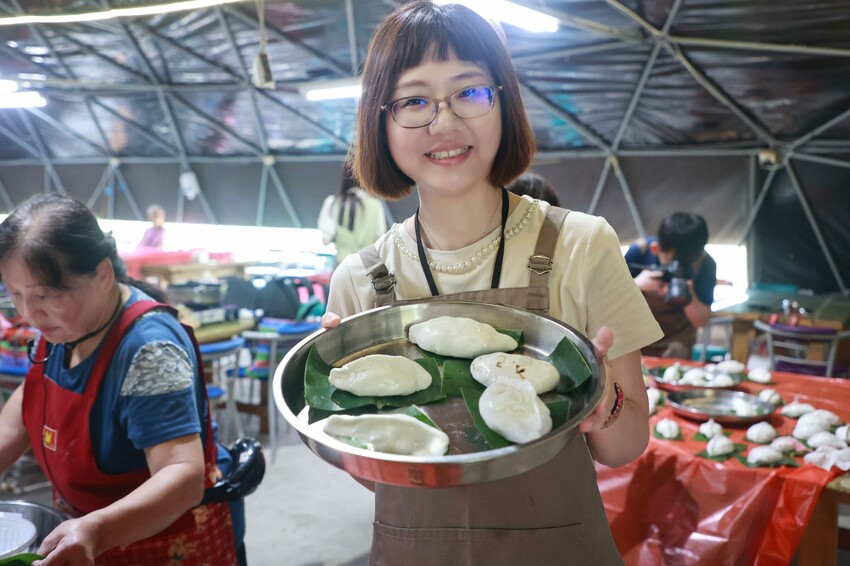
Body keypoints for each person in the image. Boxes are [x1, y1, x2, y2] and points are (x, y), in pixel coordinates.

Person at [321, 2, 662, 564]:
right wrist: (348, 409)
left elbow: (626, 447)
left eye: (469, 92)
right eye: (413, 100)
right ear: (379, 122)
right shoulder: (360, 281)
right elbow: (376, 478)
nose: (445, 122)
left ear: (504, 102)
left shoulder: (580, 245)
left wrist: (606, 405)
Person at [0, 194, 242, 565]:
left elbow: (183, 474)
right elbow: (16, 422)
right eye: (15, 295)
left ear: (102, 274)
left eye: (45, 295)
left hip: (163, 540)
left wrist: (97, 530)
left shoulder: (148, 350)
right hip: (91, 530)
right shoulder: (60, 328)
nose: (30, 313)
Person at [625, 212, 717, 358]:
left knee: (677, 353)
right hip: (635, 341)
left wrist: (688, 293)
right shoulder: (639, 252)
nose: (679, 267)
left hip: (677, 344)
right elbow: (605, 305)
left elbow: (702, 322)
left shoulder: (705, 264)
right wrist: (635, 285)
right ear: (655, 249)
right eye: (672, 262)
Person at [317, 164, 388, 266]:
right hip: (369, 266)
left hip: (343, 264)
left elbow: (326, 240)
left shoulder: (332, 202)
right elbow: (381, 236)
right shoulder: (376, 205)